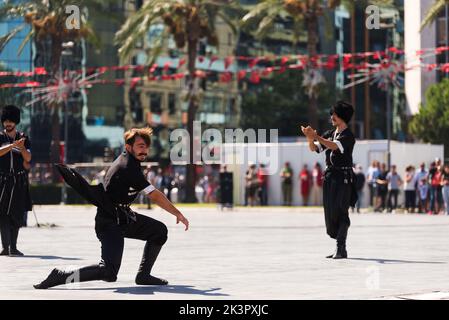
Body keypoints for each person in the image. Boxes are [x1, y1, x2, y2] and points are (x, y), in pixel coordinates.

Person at [34, 128, 189, 289]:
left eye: (146, 147)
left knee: (159, 231)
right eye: (140, 146)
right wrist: (177, 213)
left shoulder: (129, 161)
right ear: (129, 147)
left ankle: (144, 275)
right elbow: (154, 195)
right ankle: (61, 275)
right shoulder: (127, 166)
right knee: (108, 271)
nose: (144, 150)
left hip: (123, 217)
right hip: (108, 223)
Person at [301, 100, 357, 259]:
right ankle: (338, 245)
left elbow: (333, 146)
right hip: (330, 177)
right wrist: (309, 138)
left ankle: (341, 248)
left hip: (343, 178)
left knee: (341, 211)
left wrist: (316, 135)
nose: (332, 117)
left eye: (335, 114)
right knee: (330, 212)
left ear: (342, 116)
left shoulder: (348, 136)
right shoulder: (330, 133)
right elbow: (316, 148)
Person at [0, 105, 32, 256]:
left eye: (10, 121)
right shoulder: (0, 137)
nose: (8, 124)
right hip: (3, 181)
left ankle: (13, 247)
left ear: (16, 122)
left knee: (16, 213)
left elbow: (28, 158)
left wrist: (22, 147)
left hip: (18, 181)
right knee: (2, 214)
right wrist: (13, 145)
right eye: (5, 121)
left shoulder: (23, 137)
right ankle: (5, 247)